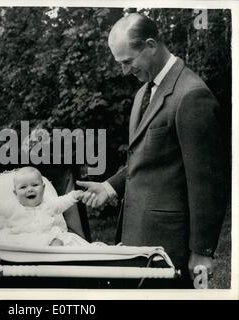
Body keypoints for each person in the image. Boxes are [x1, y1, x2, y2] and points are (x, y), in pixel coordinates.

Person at [77, 13, 228, 288]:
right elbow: (148, 156)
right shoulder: (143, 91)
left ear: (150, 45)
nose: (124, 71)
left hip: (171, 247)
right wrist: (111, 187)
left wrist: (202, 252)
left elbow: (207, 184)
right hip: (137, 240)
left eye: (127, 61)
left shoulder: (192, 95)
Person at [0, 167, 96, 247]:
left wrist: (73, 196)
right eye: (23, 187)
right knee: (2, 247)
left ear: (43, 188)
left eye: (35, 185)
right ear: (15, 193)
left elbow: (61, 202)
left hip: (45, 236)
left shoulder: (48, 204)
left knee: (66, 242)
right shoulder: (11, 207)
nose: (30, 190)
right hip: (21, 239)